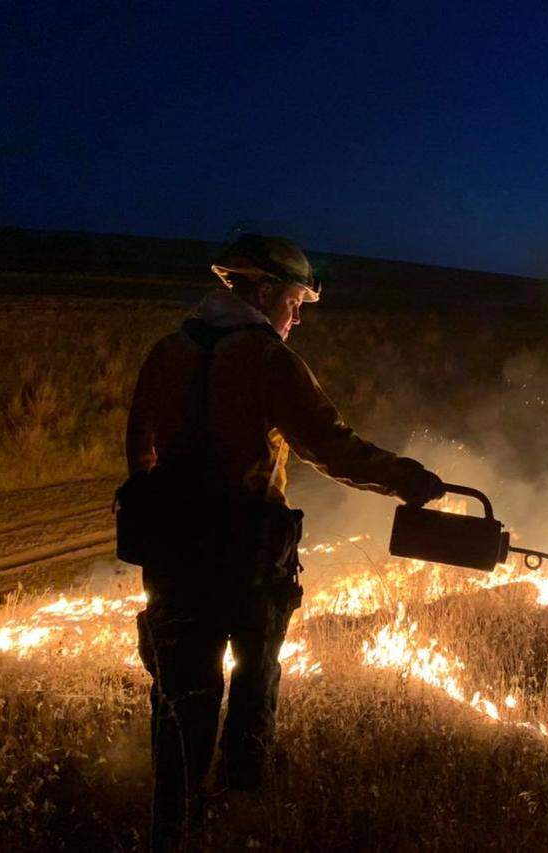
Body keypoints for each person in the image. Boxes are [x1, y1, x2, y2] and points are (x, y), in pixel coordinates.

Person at [125, 233, 445, 850]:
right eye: (296, 301)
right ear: (265, 291)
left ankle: (175, 818)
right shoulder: (268, 360)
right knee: (252, 679)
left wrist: (152, 501)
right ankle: (245, 808)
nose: (297, 315)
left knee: (180, 690)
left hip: (172, 553)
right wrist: (405, 476)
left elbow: (140, 444)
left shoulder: (167, 351)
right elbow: (330, 445)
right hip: (246, 556)